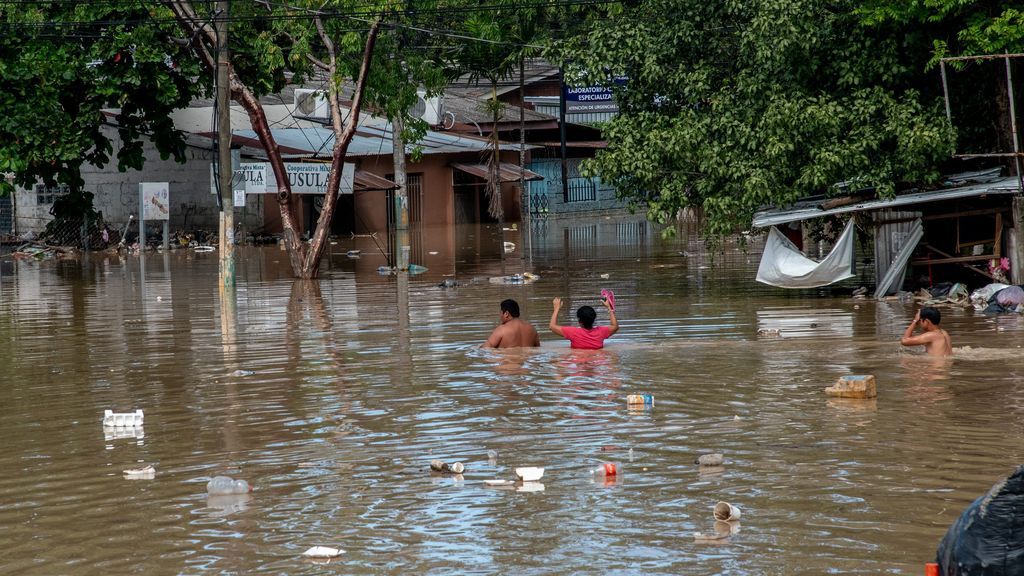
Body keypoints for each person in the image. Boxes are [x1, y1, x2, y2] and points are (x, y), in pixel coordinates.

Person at [549, 297, 618, 349]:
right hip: (596, 362)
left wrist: (556, 309)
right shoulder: (601, 332)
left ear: (579, 321)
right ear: (594, 319)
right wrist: (609, 308)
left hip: (577, 361)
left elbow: (552, 326)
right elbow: (615, 326)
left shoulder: (573, 332)